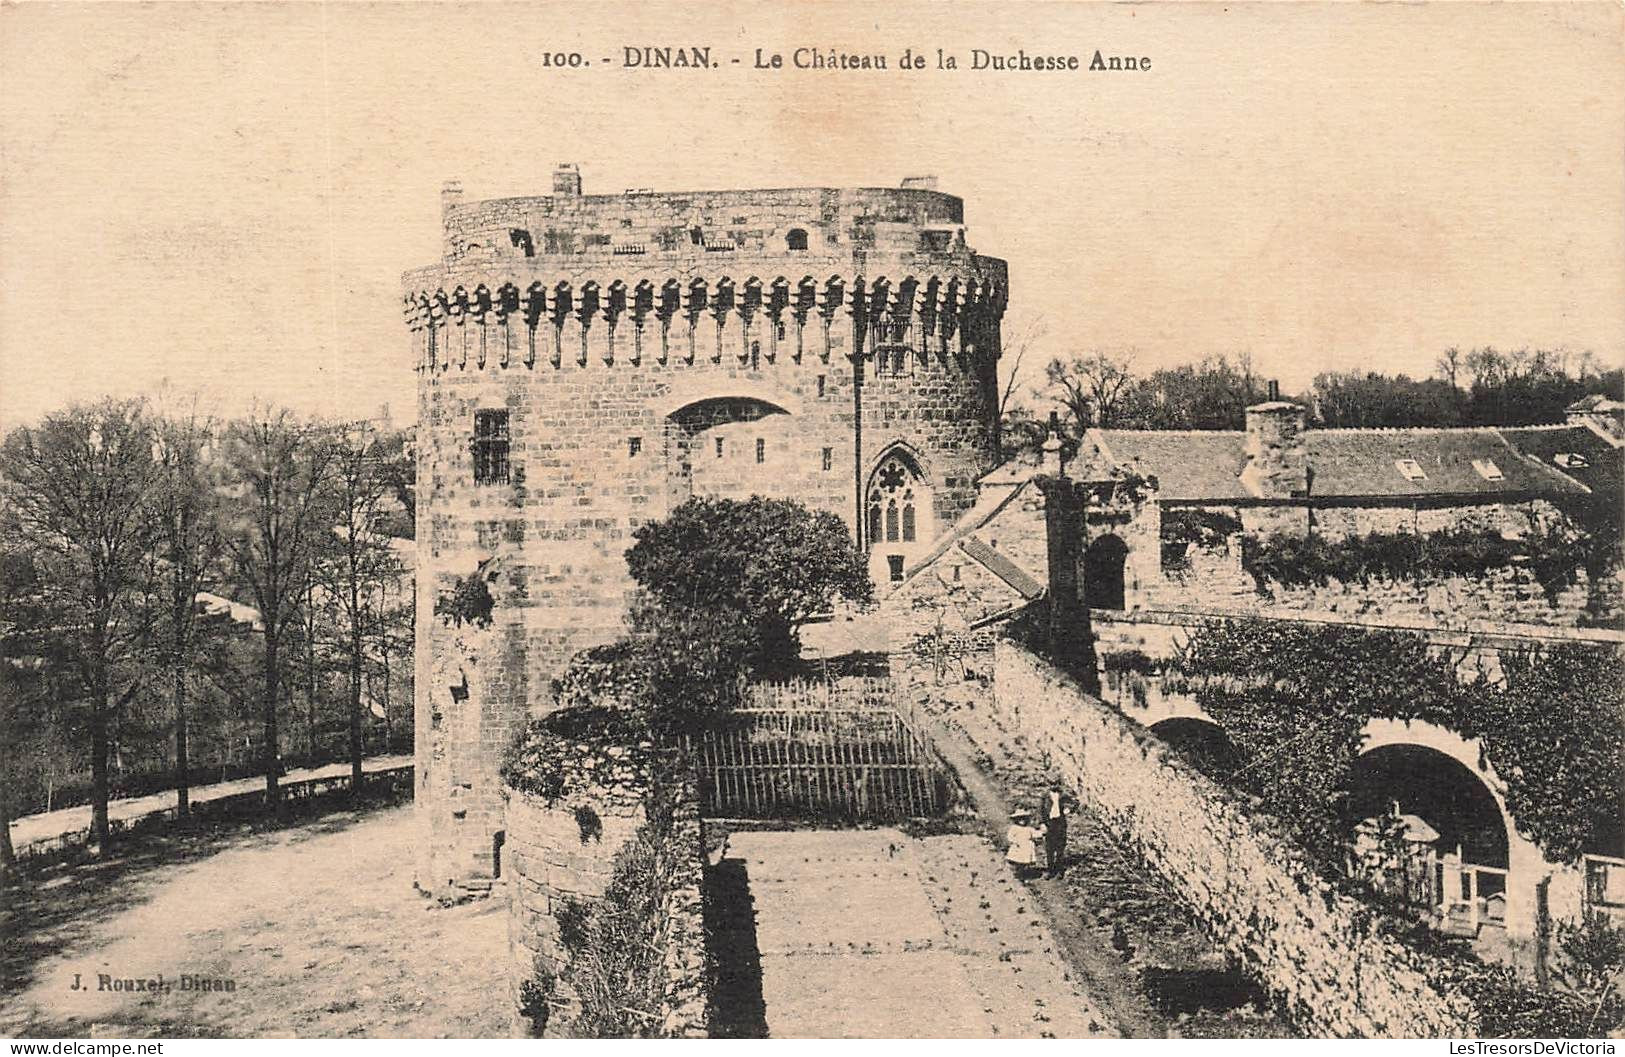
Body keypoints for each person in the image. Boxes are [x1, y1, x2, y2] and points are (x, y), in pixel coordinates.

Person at [1005, 810, 1041, 876]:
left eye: (1024, 819)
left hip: (1027, 847)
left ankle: (1024, 873)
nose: (1022, 821)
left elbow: (1035, 834)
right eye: (1020, 819)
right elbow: (1010, 836)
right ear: (1016, 820)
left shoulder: (1029, 828)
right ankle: (1018, 872)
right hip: (1019, 846)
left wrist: (1041, 832)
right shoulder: (1014, 828)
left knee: (1026, 861)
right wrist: (1015, 841)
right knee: (1018, 860)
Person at [1044, 787, 1067, 878]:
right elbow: (1040, 810)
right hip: (1050, 824)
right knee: (1049, 848)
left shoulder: (1063, 795)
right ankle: (1050, 870)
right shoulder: (1045, 796)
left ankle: (1059, 870)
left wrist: (1069, 809)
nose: (1053, 785)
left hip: (1060, 824)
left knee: (1060, 847)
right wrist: (1042, 823)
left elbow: (1075, 802)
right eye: (1051, 783)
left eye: (1056, 783)